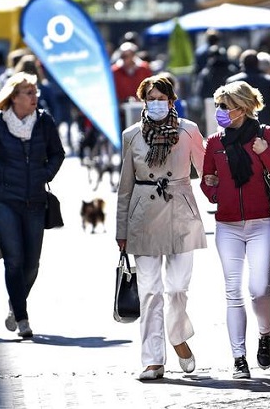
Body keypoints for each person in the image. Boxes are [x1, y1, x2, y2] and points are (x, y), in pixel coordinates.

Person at [115, 74, 206, 381]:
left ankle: (178, 335)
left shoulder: (189, 130)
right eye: (150, 99)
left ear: (171, 101)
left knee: (178, 288)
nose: (155, 104)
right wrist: (121, 229)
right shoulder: (131, 135)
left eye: (161, 98)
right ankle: (153, 360)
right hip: (142, 216)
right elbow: (124, 186)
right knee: (150, 292)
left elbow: (208, 173)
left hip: (181, 212)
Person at [200, 81, 270, 379]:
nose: (219, 112)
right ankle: (239, 358)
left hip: (260, 222)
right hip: (226, 225)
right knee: (232, 292)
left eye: (224, 107)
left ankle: (265, 334)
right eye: (218, 106)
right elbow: (206, 179)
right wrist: (213, 191)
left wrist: (265, 152)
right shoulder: (215, 142)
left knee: (259, 289)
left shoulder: (269, 136)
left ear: (242, 108)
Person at [0, 72, 65, 339]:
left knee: (32, 264)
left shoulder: (44, 121)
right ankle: (22, 318)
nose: (36, 97)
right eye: (30, 93)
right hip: (3, 199)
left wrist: (44, 174)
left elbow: (58, 153)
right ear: (14, 97)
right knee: (13, 260)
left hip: (35, 199)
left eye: (35, 92)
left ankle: (15, 302)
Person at [226, 50, 270, 132]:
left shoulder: (232, 82)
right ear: (258, 63)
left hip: (240, 129)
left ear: (242, 63)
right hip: (265, 127)